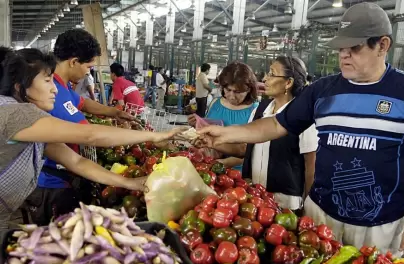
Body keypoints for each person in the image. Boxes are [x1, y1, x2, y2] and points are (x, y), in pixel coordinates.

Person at [199, 2, 404, 257]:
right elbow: (277, 123)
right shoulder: (322, 91)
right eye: (341, 48)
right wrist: (226, 133)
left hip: (381, 223)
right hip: (322, 217)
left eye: (355, 47)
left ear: (383, 45)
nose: (344, 55)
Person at [0, 48, 184, 227]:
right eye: (47, 81)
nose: (54, 90)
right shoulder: (15, 114)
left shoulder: (34, 125)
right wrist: (154, 136)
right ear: (20, 87)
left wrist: (129, 182)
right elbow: (90, 135)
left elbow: (76, 161)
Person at [198, 56, 318, 211]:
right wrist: (213, 142)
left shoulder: (303, 119)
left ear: (288, 82)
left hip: (285, 203)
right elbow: (245, 149)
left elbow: (311, 168)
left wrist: (307, 207)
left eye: (272, 74)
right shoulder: (261, 110)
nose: (265, 78)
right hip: (254, 198)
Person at [189, 61, 259, 169]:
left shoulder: (256, 111)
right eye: (228, 90)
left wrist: (224, 163)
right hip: (209, 167)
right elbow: (208, 131)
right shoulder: (215, 104)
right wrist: (197, 124)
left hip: (237, 175)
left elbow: (254, 152)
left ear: (249, 89)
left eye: (237, 92)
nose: (231, 96)